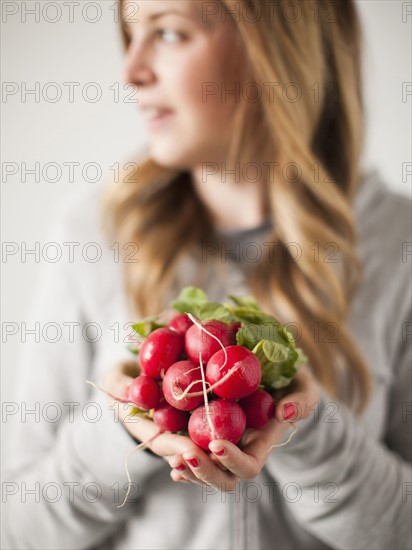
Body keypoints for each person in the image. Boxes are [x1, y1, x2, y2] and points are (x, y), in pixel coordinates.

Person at [3, 1, 411, 549]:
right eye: (130, 35)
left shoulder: (399, 245)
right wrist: (124, 425)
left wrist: (310, 434)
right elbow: (17, 529)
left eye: (169, 34)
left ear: (272, 49)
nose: (130, 71)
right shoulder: (92, 233)